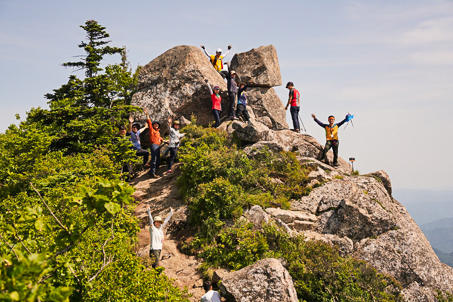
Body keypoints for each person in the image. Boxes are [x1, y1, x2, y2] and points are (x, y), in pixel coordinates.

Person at [144, 108, 168, 178]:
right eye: (155, 124)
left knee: (158, 160)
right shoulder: (152, 130)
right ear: (153, 125)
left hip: (158, 146)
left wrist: (166, 141)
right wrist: (147, 114)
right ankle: (152, 173)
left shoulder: (158, 132)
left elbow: (160, 138)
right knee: (154, 159)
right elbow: (149, 122)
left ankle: (152, 171)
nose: (156, 125)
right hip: (154, 145)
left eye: (157, 124)